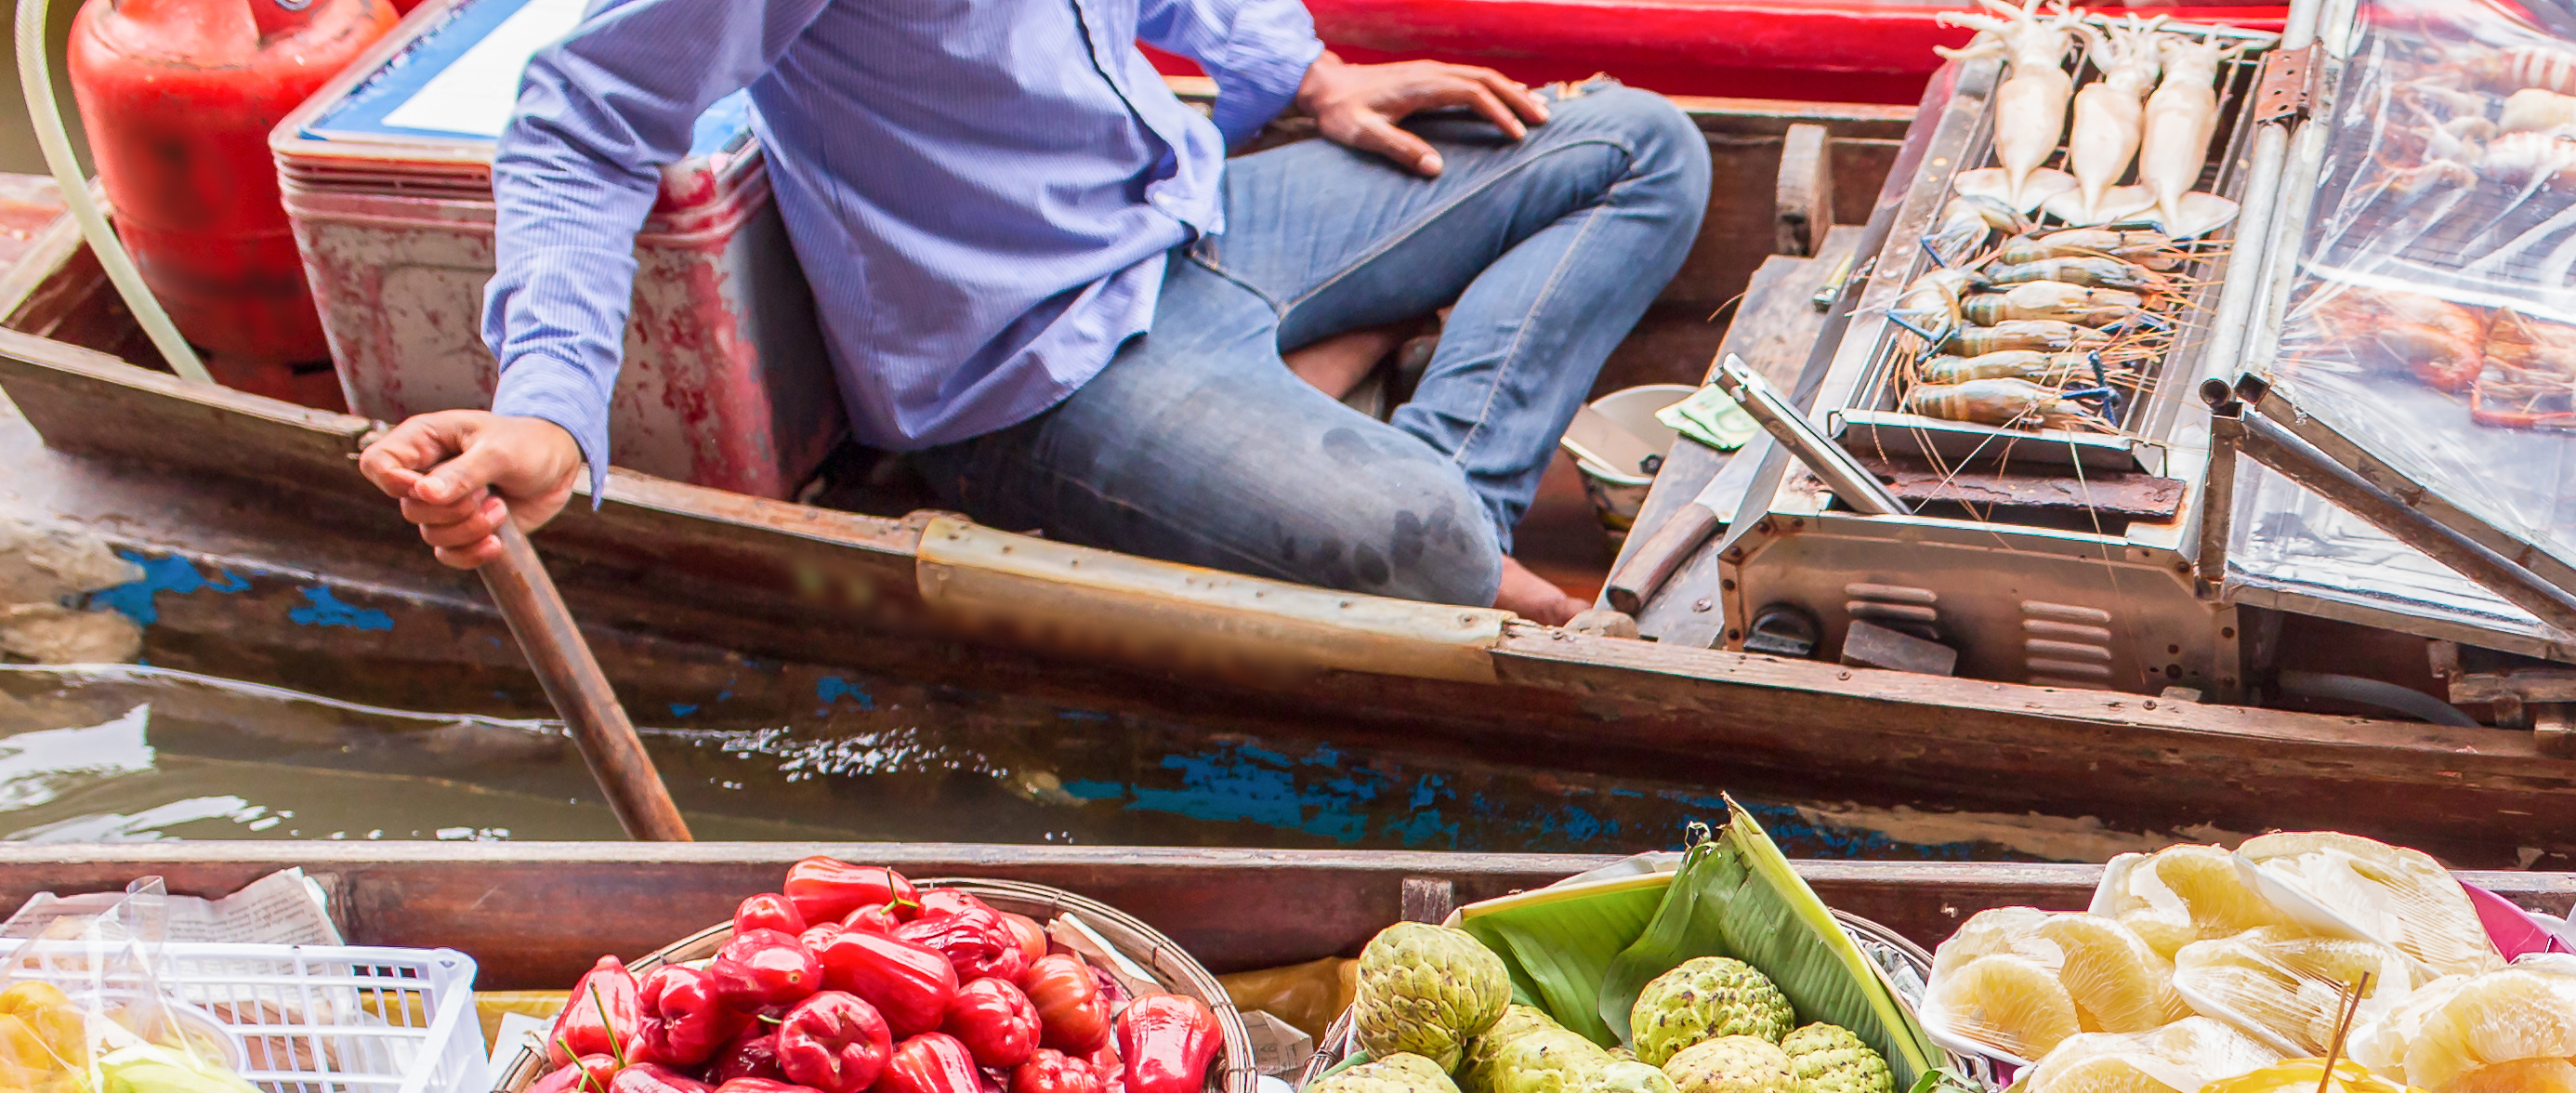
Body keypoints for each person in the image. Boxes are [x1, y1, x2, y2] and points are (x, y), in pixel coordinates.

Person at [353, 0, 1706, 622]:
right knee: (1419, 545)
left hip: (1195, 217)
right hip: (1033, 366)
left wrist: (1309, 76)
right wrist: (549, 405)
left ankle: (1425, 493)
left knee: (1642, 144)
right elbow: (577, 116)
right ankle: (1433, 527)